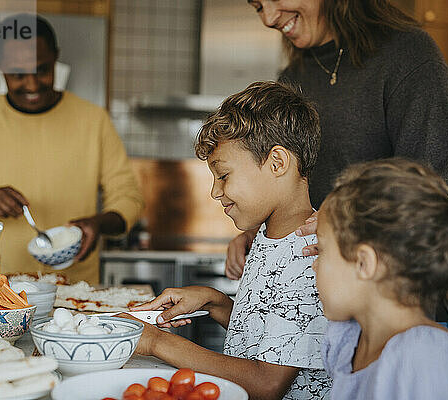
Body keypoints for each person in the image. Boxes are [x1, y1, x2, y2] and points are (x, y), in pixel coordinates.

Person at [226, 0, 448, 280]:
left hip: (396, 299)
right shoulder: (293, 78)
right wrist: (260, 233)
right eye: (258, 6)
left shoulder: (409, 56)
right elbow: (291, 192)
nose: (269, 18)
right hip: (323, 304)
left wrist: (352, 222)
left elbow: (447, 201)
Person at [122, 81, 331, 400]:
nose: (215, 192)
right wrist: (214, 301)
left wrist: (155, 342)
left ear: (277, 163)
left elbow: (267, 383)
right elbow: (271, 338)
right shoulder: (268, 234)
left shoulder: (311, 253)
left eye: (224, 175)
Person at [0, 15, 143, 283]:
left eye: (43, 69)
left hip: (75, 291)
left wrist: (98, 224)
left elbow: (128, 197)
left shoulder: (93, 120)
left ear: (56, 58)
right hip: (0, 289)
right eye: (18, 74)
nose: (32, 84)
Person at [313, 158, 448, 399]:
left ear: (364, 263)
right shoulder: (347, 340)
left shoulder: (426, 356)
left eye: (321, 250)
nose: (313, 265)